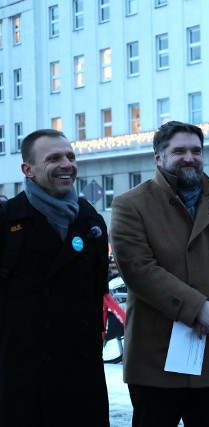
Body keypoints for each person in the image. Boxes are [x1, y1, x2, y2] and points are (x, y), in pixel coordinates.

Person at [110, 121, 209, 427]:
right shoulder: (131, 204)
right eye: (179, 151)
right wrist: (197, 308)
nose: (189, 157)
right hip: (156, 356)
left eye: (196, 150)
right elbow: (139, 269)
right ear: (158, 157)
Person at [0, 129, 110, 425]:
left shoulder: (90, 220)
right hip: (24, 379)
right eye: (54, 158)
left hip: (82, 378)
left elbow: (96, 288)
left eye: (70, 157)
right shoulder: (8, 219)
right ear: (28, 170)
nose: (67, 164)